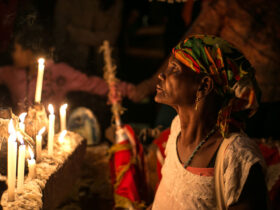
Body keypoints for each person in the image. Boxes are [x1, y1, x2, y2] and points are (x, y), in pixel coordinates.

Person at [149, 35, 268, 209]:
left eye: (174, 68)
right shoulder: (176, 129)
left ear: (204, 85)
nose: (161, 75)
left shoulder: (235, 157)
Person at [0, 26, 134, 114]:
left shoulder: (58, 72)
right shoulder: (11, 73)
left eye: (16, 50)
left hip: (51, 133)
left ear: (29, 52)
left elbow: (92, 84)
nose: (12, 54)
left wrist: (129, 90)